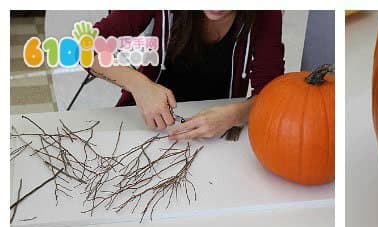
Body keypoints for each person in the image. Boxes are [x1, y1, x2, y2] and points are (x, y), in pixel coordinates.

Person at [88, 10, 284, 140]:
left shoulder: (266, 12)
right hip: (144, 124)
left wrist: (237, 114)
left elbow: (272, 93)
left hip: (217, 135)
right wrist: (139, 85)